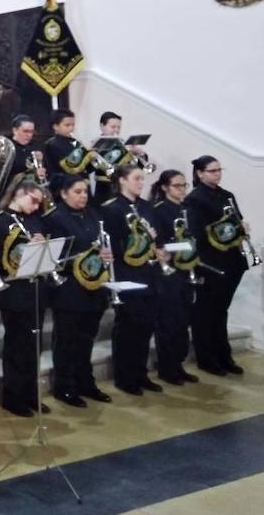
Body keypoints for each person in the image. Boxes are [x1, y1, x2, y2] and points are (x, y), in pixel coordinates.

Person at [101, 164, 171, 395]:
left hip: (149, 274)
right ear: (122, 180)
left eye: (142, 179)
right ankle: (125, 377)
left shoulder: (147, 207)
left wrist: (159, 250)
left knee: (146, 326)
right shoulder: (111, 209)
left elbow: (157, 239)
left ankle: (140, 374)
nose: (141, 183)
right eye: (136, 179)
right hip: (126, 274)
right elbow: (114, 245)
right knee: (127, 328)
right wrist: (139, 243)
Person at [43, 173, 112, 407]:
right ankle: (64, 386)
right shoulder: (54, 218)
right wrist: (87, 257)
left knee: (86, 340)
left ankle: (86, 382)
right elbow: (55, 256)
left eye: (85, 191)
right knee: (66, 341)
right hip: (69, 290)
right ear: (63, 193)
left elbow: (100, 243)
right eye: (77, 192)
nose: (83, 196)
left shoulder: (93, 214)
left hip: (94, 286)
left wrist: (104, 254)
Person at [0, 179, 49, 416]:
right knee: (17, 345)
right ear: (19, 194)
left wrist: (42, 248)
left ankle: (31, 394)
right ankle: (13, 397)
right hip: (12, 290)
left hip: (35, 288)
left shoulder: (34, 220)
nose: (35, 207)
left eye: (38, 203)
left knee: (35, 345)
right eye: (32, 200)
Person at [183, 155, 249, 376]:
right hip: (210, 262)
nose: (217, 174)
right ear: (200, 173)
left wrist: (242, 227)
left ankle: (224, 356)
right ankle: (207, 358)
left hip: (231, 261)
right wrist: (228, 228)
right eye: (212, 171)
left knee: (221, 311)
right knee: (205, 313)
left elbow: (236, 220)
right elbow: (197, 232)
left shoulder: (226, 195)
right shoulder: (194, 199)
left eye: (219, 169)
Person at [150, 169, 200, 385]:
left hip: (186, 268)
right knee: (169, 321)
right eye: (177, 186)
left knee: (183, 321)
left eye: (184, 185)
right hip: (167, 271)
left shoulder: (187, 209)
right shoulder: (159, 210)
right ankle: (167, 367)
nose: (181, 190)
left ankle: (178, 364)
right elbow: (158, 243)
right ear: (165, 188)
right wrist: (179, 244)